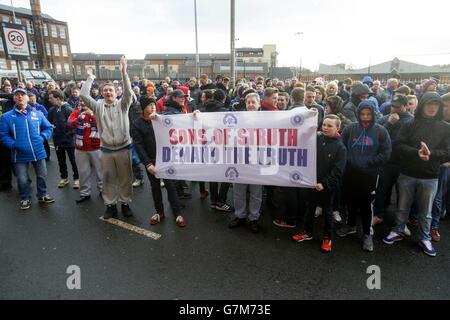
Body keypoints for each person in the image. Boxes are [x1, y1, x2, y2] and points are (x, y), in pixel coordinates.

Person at [383, 92, 450, 257]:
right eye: (429, 104)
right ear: (423, 105)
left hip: (430, 175)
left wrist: (431, 154)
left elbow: (448, 152)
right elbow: (398, 145)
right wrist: (416, 153)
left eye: (435, 104)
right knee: (402, 207)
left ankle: (424, 237)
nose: (432, 107)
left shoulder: (445, 128)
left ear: (439, 107)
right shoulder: (410, 124)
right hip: (407, 173)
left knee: (426, 212)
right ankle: (398, 230)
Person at [80, 56, 135, 219]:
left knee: (126, 179)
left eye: (111, 90)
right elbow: (84, 95)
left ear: (116, 92)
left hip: (124, 148)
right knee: (108, 179)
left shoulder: (123, 104)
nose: (108, 92)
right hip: (106, 150)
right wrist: (90, 78)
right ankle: (110, 205)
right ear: (102, 93)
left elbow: (128, 92)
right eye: (105, 90)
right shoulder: (97, 106)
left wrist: (124, 73)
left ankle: (125, 203)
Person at [338, 99, 392, 252]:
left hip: (369, 174)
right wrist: (349, 161)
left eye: (368, 114)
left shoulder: (381, 131)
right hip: (350, 172)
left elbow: (386, 153)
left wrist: (370, 162)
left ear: (373, 114)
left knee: (366, 205)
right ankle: (351, 225)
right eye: (362, 114)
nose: (365, 117)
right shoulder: (350, 128)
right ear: (358, 114)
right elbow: (341, 147)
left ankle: (367, 233)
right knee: (351, 201)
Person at [292, 115, 347, 252]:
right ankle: (307, 232)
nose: (325, 128)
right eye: (324, 125)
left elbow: (338, 171)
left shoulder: (340, 148)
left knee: (328, 212)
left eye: (329, 126)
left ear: (337, 128)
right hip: (312, 183)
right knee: (309, 208)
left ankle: (327, 237)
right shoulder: (316, 139)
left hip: (327, 187)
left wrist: (325, 183)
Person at [131, 97, 186, 227]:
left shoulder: (161, 119)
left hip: (166, 159)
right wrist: (147, 163)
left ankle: (177, 213)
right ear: (143, 108)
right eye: (150, 105)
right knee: (155, 187)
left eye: (154, 105)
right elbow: (138, 146)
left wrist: (195, 115)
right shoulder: (137, 124)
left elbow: (181, 121)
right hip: (151, 161)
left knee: (171, 187)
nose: (153, 107)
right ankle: (159, 212)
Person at [0, 88, 55, 210]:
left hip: (38, 151)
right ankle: (25, 198)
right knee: (22, 179)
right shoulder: (6, 117)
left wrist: (42, 138)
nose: (20, 97)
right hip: (18, 153)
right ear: (14, 98)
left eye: (22, 95)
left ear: (27, 98)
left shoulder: (38, 114)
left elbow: (48, 128)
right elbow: (3, 135)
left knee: (42, 175)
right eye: (17, 95)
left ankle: (42, 195)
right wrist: (13, 145)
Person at [372, 95, 414, 226]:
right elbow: (376, 135)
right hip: (387, 162)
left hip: (403, 163)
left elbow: (408, 142)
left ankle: (402, 221)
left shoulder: (412, 121)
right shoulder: (386, 118)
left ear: (406, 106)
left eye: (398, 106)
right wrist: (389, 124)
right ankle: (379, 214)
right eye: (392, 106)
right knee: (382, 189)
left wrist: (390, 143)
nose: (394, 109)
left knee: (403, 194)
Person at [228, 93, 264, 233]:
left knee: (256, 192)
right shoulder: (238, 118)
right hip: (240, 160)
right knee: (238, 191)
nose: (250, 104)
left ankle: (254, 218)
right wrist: (198, 115)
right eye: (248, 102)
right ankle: (240, 215)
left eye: (253, 102)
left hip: (258, 161)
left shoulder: (268, 119)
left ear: (258, 104)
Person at [67, 100, 103, 203]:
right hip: (80, 148)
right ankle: (85, 193)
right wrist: (79, 118)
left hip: (97, 147)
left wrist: (91, 115)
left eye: (86, 102)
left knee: (101, 171)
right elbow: (69, 124)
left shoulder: (98, 112)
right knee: (83, 172)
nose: (83, 104)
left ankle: (103, 190)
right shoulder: (76, 113)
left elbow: (103, 124)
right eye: (81, 102)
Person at [47, 90, 80, 190]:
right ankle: (64, 178)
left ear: (58, 98)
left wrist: (67, 136)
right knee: (61, 161)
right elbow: (49, 123)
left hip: (69, 141)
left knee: (73, 161)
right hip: (58, 141)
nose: (49, 100)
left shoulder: (69, 109)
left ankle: (77, 179)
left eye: (51, 98)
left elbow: (74, 126)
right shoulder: (52, 110)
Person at [430, 93, 450, 241]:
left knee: (437, 196)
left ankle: (434, 226)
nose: (442, 109)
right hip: (430, 162)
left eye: (445, 106)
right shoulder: (436, 122)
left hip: (444, 165)